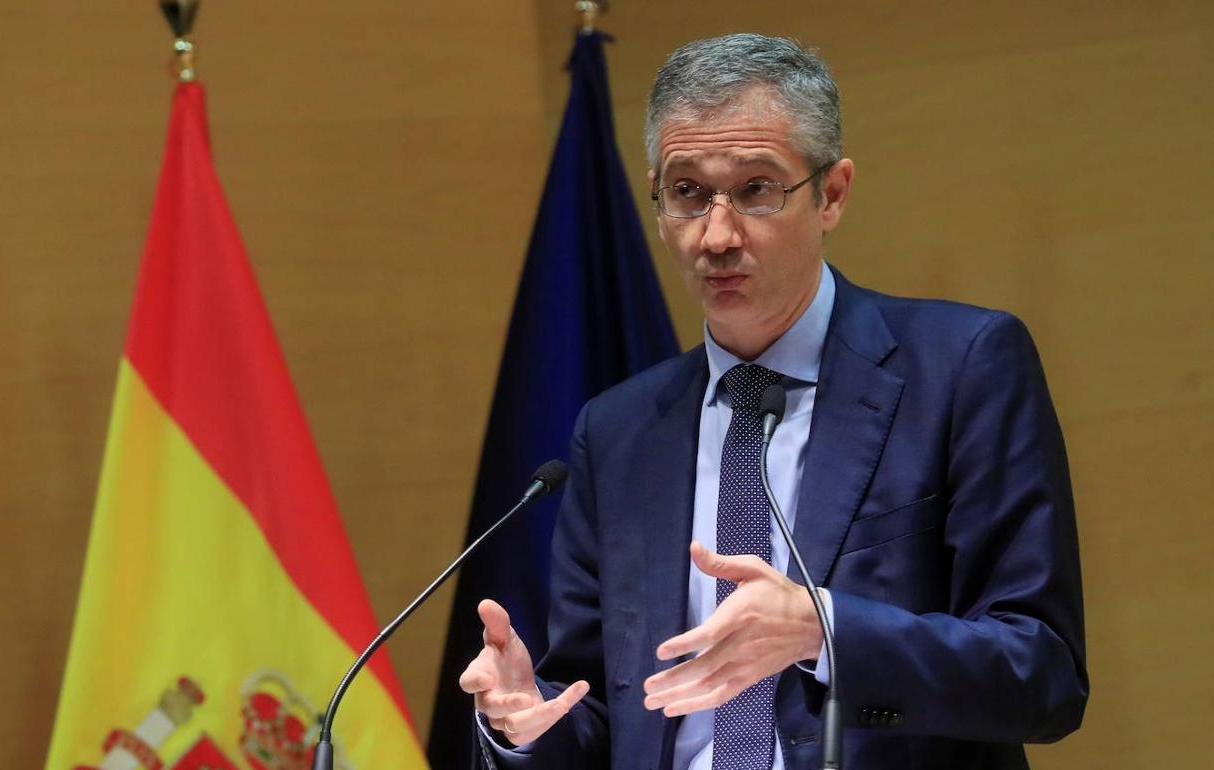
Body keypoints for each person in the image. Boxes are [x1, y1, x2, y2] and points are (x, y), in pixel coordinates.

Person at [458, 33, 1087, 770]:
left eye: (757, 189)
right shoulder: (618, 431)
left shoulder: (960, 369)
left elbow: (1042, 674)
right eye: (687, 193)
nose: (717, 236)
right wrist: (528, 723)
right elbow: (604, 714)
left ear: (832, 194)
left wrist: (825, 631)